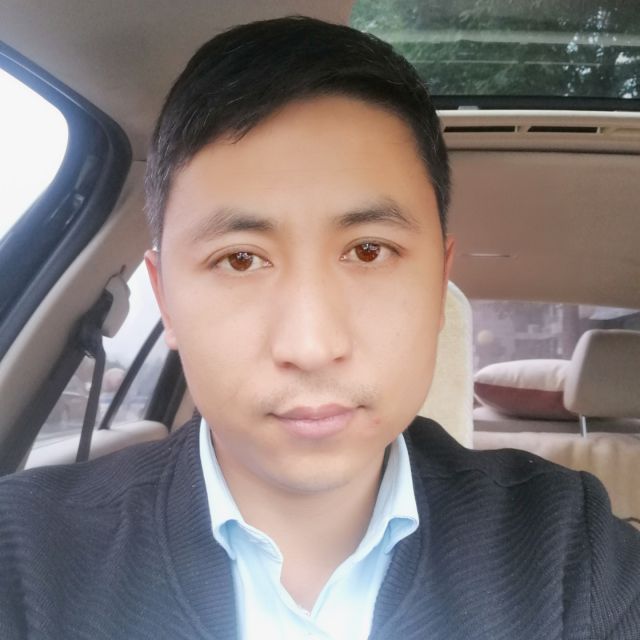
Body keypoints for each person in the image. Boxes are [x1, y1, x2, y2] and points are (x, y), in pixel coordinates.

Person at [1, 16, 639, 640]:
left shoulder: (569, 551)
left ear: (438, 288)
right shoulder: (27, 556)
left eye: (369, 250)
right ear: (165, 299)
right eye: (240, 259)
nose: (311, 346)